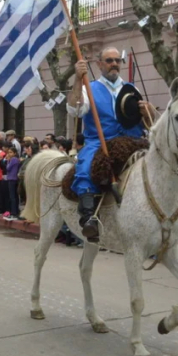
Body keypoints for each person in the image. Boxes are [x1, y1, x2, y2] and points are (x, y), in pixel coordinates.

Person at [65, 46, 155, 241]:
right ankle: (89, 217)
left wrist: (147, 111)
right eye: (109, 60)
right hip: (100, 141)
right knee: (86, 166)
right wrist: (78, 79)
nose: (114, 64)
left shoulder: (131, 88)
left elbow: (148, 122)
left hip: (134, 140)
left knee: (167, 164)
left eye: (117, 60)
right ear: (99, 64)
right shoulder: (88, 88)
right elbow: (75, 110)